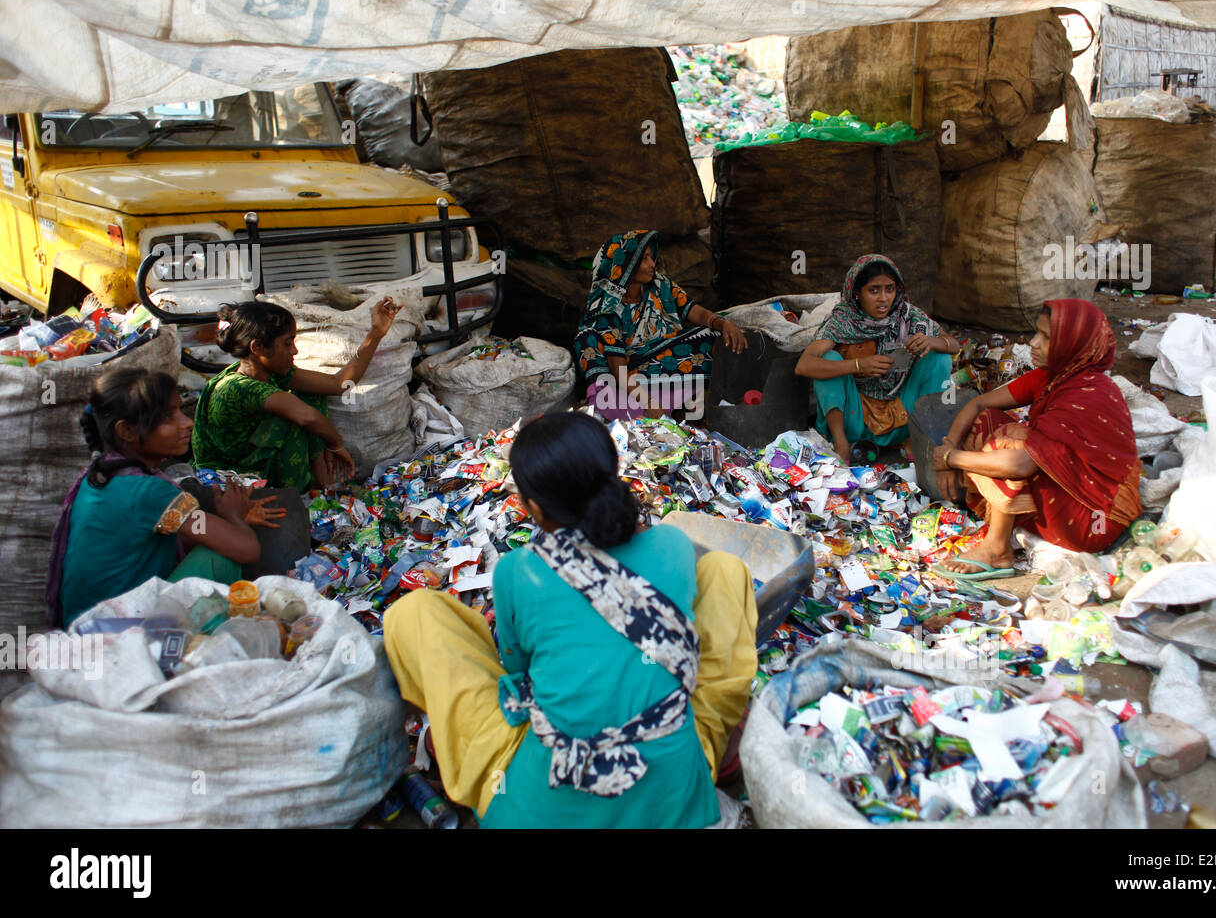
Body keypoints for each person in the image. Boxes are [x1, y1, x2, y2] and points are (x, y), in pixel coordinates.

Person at [382, 412, 758, 828]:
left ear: (533, 508)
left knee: (415, 613)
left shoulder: (518, 571)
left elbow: (517, 673)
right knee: (724, 569)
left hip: (539, 812)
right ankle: (718, 745)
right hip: (673, 799)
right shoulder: (671, 543)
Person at [46, 367, 276, 627]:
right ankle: (195, 645)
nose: (186, 422)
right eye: (168, 417)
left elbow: (178, 531)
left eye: (180, 410)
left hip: (85, 625)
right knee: (220, 558)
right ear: (127, 431)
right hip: (117, 632)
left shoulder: (99, 476)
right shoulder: (148, 491)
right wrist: (234, 516)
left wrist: (224, 521)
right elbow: (246, 550)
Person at [930, 299, 1141, 579]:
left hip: (1093, 519)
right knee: (989, 422)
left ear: (1074, 344)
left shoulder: (1089, 395)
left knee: (1012, 441)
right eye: (1037, 332)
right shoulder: (1055, 377)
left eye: (1046, 337)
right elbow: (978, 405)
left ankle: (997, 549)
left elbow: (1020, 465)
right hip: (1067, 493)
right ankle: (1001, 526)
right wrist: (949, 447)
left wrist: (949, 458)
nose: (1033, 343)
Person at [191, 297, 400, 492]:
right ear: (258, 348)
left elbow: (338, 384)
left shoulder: (268, 374)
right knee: (295, 419)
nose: (294, 351)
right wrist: (335, 444)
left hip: (260, 463)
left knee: (312, 395)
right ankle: (303, 496)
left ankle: (322, 490)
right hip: (234, 478)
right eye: (287, 343)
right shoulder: (238, 387)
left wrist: (376, 334)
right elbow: (308, 417)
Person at [795, 254, 959, 464]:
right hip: (854, 419)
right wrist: (857, 365)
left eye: (889, 289)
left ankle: (920, 439)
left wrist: (931, 342)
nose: (883, 298)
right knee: (828, 359)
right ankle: (841, 444)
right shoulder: (844, 320)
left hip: (903, 415)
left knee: (940, 359)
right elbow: (804, 365)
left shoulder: (909, 316)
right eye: (874, 290)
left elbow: (953, 345)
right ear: (857, 293)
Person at [574, 229, 747, 418]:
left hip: (661, 358)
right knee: (587, 338)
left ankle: (705, 398)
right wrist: (648, 402)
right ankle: (622, 403)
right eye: (645, 259)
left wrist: (723, 324)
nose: (652, 264)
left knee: (714, 337)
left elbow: (694, 311)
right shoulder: (609, 307)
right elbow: (618, 367)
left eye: (651, 257)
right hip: (628, 369)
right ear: (626, 265)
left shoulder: (660, 285)